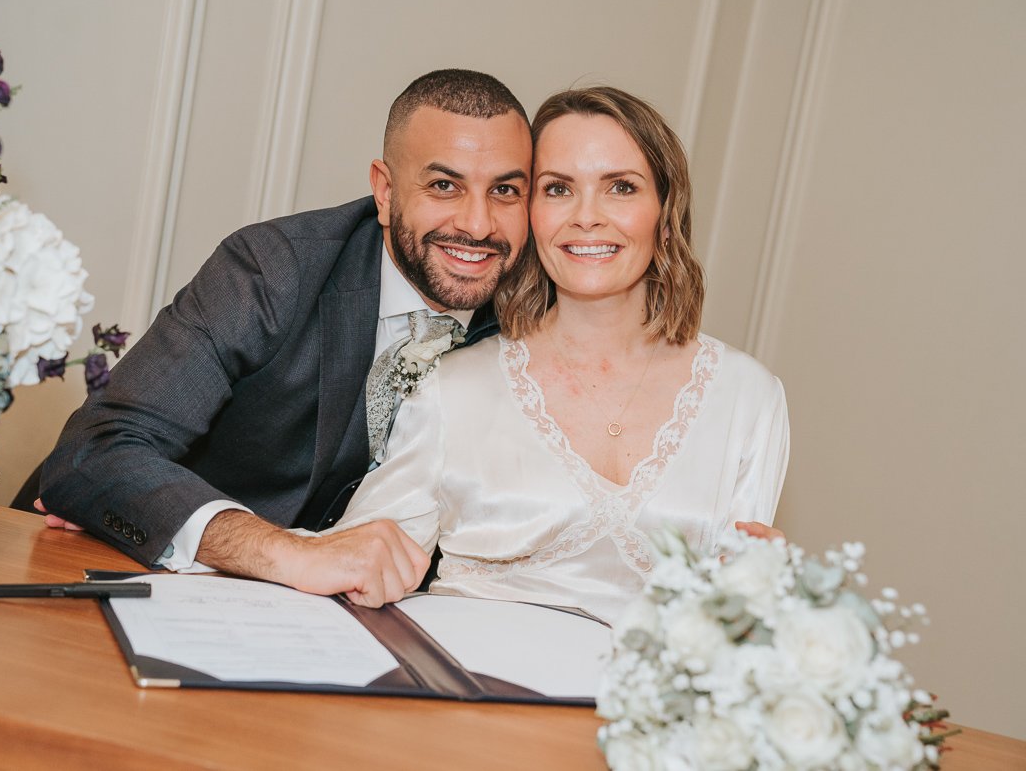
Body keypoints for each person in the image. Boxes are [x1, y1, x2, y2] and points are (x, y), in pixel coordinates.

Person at [280, 86, 790, 624]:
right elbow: (350, 566)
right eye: (558, 189)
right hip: (468, 692)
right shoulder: (452, 389)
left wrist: (764, 598)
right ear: (527, 213)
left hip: (649, 706)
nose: (587, 217)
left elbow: (735, 620)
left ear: (665, 212)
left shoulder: (748, 397)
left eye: (620, 187)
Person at [38, 70, 533, 607]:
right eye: (444, 185)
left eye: (505, 190)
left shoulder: (535, 313)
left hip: (380, 626)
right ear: (385, 192)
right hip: (153, 592)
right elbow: (95, 450)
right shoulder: (274, 269)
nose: (480, 225)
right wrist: (287, 554)